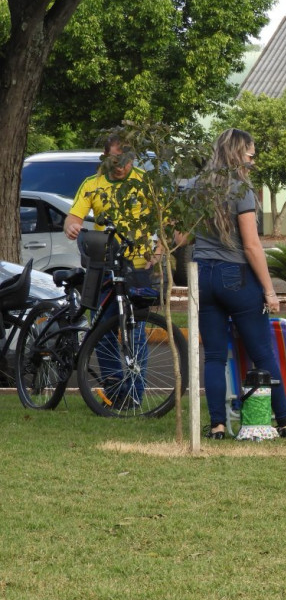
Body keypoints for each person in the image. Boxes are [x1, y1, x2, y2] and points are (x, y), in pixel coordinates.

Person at [188, 128, 286, 440]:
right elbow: (251, 245)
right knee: (263, 353)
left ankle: (218, 425)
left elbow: (178, 235)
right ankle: (284, 422)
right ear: (236, 154)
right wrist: (270, 290)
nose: (253, 162)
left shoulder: (194, 186)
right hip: (236, 275)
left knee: (215, 357)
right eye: (250, 155)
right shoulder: (240, 190)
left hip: (202, 276)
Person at [64, 135, 160, 407]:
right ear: (105, 157)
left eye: (127, 160)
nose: (122, 166)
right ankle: (116, 390)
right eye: (116, 159)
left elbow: (166, 219)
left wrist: (160, 250)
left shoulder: (144, 181)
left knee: (135, 331)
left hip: (137, 269)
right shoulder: (93, 184)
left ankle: (133, 396)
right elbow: (74, 217)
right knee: (101, 331)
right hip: (104, 267)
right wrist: (71, 226)